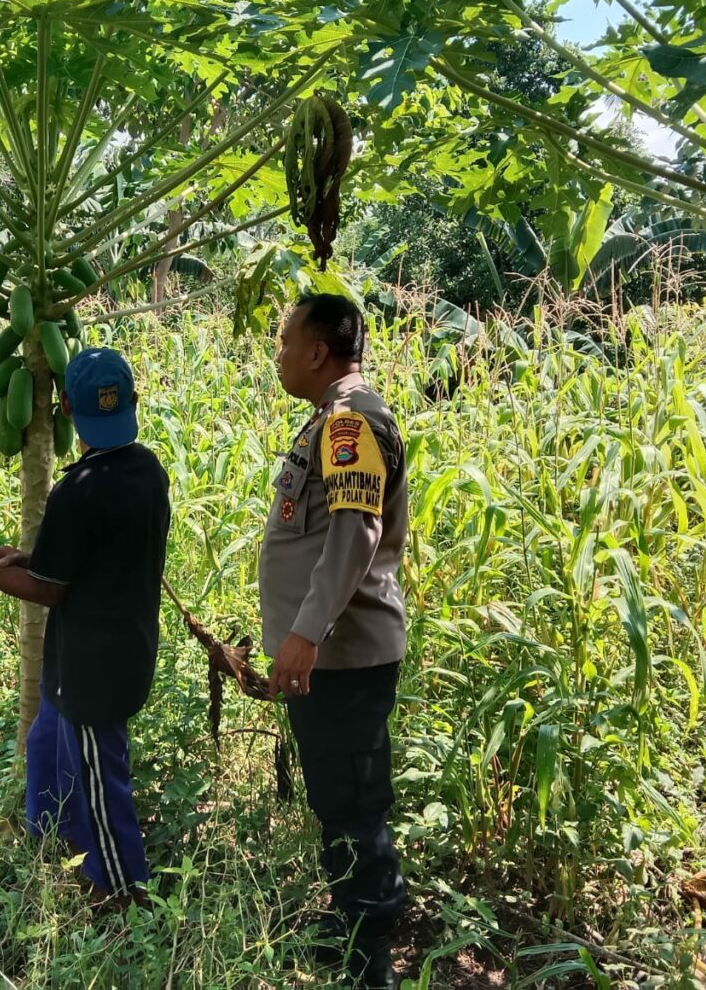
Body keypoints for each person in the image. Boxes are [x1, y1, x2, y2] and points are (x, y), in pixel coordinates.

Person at [0, 347, 171, 908]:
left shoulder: (80, 488)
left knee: (100, 787)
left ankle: (123, 898)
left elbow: (49, 590)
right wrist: (25, 557)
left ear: (65, 406)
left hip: (93, 672)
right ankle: (56, 851)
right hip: (118, 650)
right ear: (132, 402)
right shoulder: (147, 471)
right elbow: (89, 559)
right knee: (47, 744)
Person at [259, 293, 409, 989]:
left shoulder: (350, 422)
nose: (280, 353)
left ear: (318, 350)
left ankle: (369, 955)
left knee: (354, 803)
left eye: (285, 340)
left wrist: (304, 635)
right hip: (333, 656)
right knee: (338, 798)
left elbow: (355, 534)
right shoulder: (330, 419)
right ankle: (351, 918)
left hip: (343, 656)